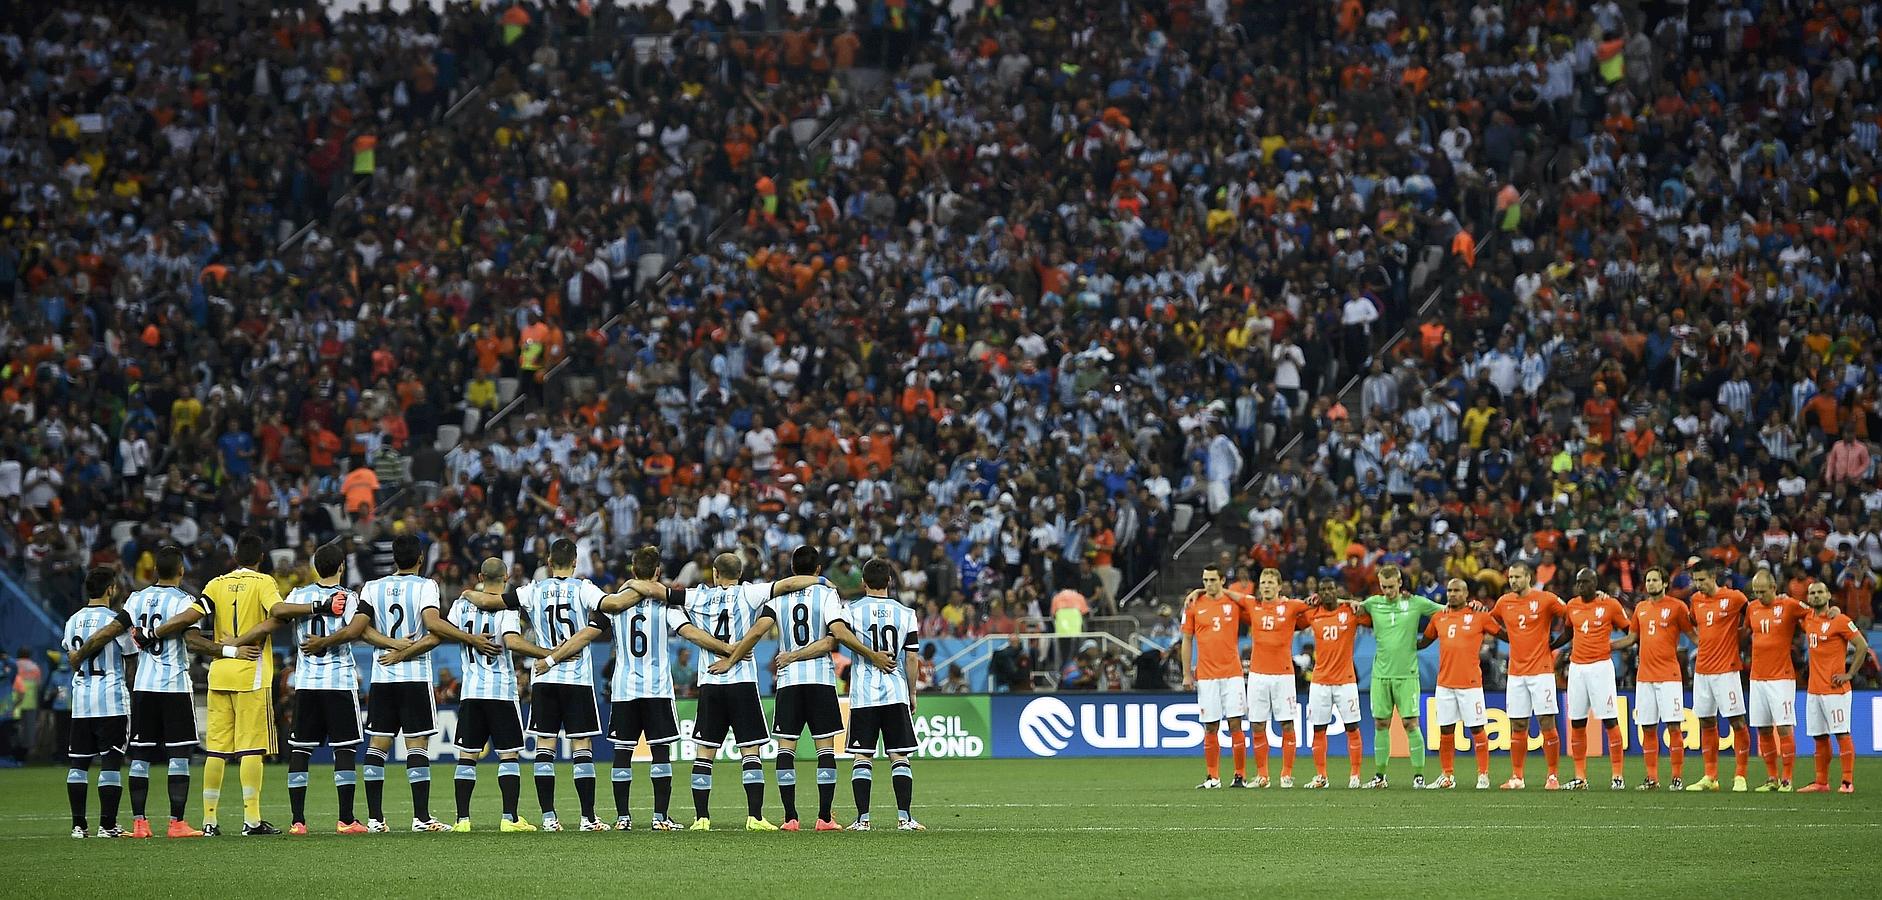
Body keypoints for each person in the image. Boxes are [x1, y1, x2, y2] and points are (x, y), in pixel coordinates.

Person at [621, 553, 824, 831]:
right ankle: (755, 817)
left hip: (711, 680)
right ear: (739, 573)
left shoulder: (698, 596)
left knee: (705, 752)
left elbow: (658, 591)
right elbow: (788, 584)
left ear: (715, 573)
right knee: (750, 751)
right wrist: (820, 580)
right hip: (742, 682)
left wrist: (632, 583)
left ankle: (701, 818)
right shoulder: (750, 593)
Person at [537, 546, 733, 831]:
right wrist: (726, 649)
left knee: (622, 753)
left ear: (633, 569)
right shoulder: (666, 605)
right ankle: (659, 818)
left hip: (624, 690)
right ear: (657, 572)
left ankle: (623, 818)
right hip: (657, 690)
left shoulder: (615, 605)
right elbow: (691, 633)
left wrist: (552, 658)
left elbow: (585, 635)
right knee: (660, 752)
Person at [231, 540, 399, 834]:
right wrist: (394, 643)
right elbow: (359, 631)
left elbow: (274, 620)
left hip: (306, 683)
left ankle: (298, 821)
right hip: (339, 682)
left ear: (315, 568)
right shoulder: (347, 597)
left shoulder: (299, 595)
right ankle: (346, 820)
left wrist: (237, 640)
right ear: (342, 567)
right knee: (344, 750)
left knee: (300, 751)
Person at [731, 545, 891, 831]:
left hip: (789, 682)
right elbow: (833, 639)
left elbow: (757, 631)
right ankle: (824, 817)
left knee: (786, 749)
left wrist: (732, 656)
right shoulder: (827, 594)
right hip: (820, 680)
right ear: (818, 570)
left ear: (793, 569)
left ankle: (790, 818)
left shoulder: (778, 597)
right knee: (825, 750)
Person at [359, 533, 501, 832]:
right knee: (417, 745)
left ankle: (374, 820)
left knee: (377, 747)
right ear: (421, 558)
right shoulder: (426, 586)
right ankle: (421, 819)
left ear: (394, 558)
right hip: (414, 677)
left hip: (382, 676)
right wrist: (471, 638)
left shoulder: (372, 587)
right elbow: (434, 626)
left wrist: (390, 645)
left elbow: (361, 629)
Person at [487, 537, 630, 832]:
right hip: (576, 678)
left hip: (544, 678)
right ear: (575, 562)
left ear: (549, 562)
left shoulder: (533, 590)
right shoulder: (584, 588)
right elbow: (611, 607)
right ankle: (588, 818)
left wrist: (471, 596)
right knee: (582, 745)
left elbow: (496, 601)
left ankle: (549, 818)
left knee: (545, 745)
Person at [121, 545, 236, 837]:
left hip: (143, 685)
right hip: (173, 685)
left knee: (140, 756)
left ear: (154, 570)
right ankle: (177, 823)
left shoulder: (136, 598)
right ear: (181, 570)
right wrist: (228, 650)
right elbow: (193, 641)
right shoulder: (185, 602)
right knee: (179, 754)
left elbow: (119, 628)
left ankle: (139, 823)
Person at [439, 557, 550, 831]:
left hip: (471, 691)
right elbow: (512, 641)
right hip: (501, 691)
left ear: (480, 576)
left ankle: (462, 820)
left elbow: (446, 630)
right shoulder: (508, 607)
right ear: (506, 577)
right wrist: (548, 653)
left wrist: (468, 637)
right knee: (508, 756)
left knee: (467, 756)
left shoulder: (461, 604)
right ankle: (509, 819)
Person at [196, 532, 287, 835]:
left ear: (235, 557)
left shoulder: (216, 584)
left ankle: (209, 821)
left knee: (216, 750)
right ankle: (252, 820)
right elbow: (277, 613)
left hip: (220, 670)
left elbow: (195, 615)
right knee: (252, 749)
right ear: (261, 557)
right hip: (251, 673)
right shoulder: (264, 583)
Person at [840, 558, 925, 831]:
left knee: (862, 757)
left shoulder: (851, 611)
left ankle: (862, 820)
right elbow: (911, 658)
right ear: (889, 581)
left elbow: (839, 637)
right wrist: (912, 692)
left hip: (864, 693)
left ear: (862, 582)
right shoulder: (906, 613)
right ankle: (905, 818)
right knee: (899, 756)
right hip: (895, 692)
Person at [62, 567, 136, 837]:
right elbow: (131, 660)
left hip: (82, 702)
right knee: (111, 762)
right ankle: (108, 825)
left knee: (78, 765)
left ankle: (78, 826)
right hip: (111, 700)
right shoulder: (116, 621)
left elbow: (70, 654)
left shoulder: (72, 621)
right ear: (110, 589)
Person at [1358, 564, 1444, 789]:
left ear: (1400, 583)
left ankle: (1419, 776)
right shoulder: (1373, 603)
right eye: (1383, 587)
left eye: (1391, 586)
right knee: (1380, 723)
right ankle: (1380, 777)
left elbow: (1446, 611)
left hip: (1407, 675)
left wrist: (1472, 606)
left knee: (1410, 723)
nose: (1388, 591)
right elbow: (1350, 607)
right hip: (1380, 675)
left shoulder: (1415, 603)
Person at [1488, 561, 1566, 789]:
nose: (1513, 581)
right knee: (1518, 724)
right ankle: (1517, 777)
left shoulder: (1546, 599)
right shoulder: (1504, 602)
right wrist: (1508, 637)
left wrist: (1558, 643)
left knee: (1546, 722)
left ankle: (1552, 776)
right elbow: (1489, 622)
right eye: (1511, 577)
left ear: (1529, 577)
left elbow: (1571, 614)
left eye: (1518, 577)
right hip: (1516, 674)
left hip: (1541, 672)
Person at [1418, 578, 1499, 789]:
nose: (1452, 594)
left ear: (1466, 594)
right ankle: (1447, 776)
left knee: (1477, 729)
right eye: (1449, 590)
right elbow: (1423, 642)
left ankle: (1483, 775)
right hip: (1445, 684)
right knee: (1446, 730)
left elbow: (1502, 633)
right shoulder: (1439, 617)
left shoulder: (1479, 616)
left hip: (1470, 684)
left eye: (1457, 590)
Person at [1178, 564, 1249, 789]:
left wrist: (1214, 592)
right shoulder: (1193, 605)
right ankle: (1213, 777)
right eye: (1205, 581)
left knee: (1235, 724)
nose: (1208, 584)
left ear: (1222, 580)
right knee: (1210, 726)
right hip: (1206, 675)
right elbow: (1187, 640)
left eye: (1212, 580)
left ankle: (1240, 776)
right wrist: (1186, 674)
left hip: (1232, 674)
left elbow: (1253, 603)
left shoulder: (1233, 603)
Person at [1562, 568, 1632, 791]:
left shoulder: (1610, 605)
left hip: (1601, 668)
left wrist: (1612, 646)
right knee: (1577, 722)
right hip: (1576, 668)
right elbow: (1567, 633)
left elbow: (1631, 631)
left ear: (1595, 583)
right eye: (1578, 582)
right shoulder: (1572, 605)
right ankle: (1580, 777)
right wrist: (1549, 646)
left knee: (1609, 720)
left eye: (1585, 582)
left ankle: (1617, 776)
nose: (1581, 586)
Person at [1685, 561, 1752, 792]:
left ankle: (1740, 776)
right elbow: (1693, 623)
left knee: (1737, 721)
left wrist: (1741, 636)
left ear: (1713, 577)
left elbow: (1753, 614)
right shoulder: (1696, 600)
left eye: (1702, 579)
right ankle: (1710, 776)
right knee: (1706, 721)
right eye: (1695, 580)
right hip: (1702, 670)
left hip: (1727, 670)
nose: (1698, 584)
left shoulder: (1734, 598)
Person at [1243, 568, 1311, 788]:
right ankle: (1262, 776)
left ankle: (1286, 774)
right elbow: (1226, 595)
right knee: (1257, 724)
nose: (1266, 586)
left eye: (1271, 582)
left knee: (1287, 724)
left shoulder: (1291, 606)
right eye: (1263, 582)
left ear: (1279, 586)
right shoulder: (1252, 604)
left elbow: (1317, 604)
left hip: (1283, 675)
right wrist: (1197, 592)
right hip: (1257, 675)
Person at [1799, 580, 1869, 793]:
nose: (1816, 596)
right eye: (1812, 593)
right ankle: (1821, 782)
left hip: (1835, 690)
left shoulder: (1840, 620)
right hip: (1814, 690)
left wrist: (1850, 674)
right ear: (1808, 597)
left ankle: (1847, 782)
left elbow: (1862, 646)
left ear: (1828, 595)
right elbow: (1789, 605)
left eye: (1820, 592)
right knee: (1819, 736)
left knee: (1841, 734)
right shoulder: (1807, 617)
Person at [1630, 567, 1694, 790]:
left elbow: (1693, 635)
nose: (1651, 583)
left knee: (1674, 727)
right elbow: (1631, 638)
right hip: (1644, 677)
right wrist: (1605, 646)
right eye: (1648, 580)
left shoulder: (1677, 607)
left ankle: (1676, 777)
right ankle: (1652, 778)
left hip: (1669, 676)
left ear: (1665, 583)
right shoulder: (1640, 608)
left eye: (1655, 580)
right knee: (1647, 728)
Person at [1744, 570, 1808, 792]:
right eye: (1756, 592)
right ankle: (1772, 777)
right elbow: (1745, 631)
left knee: (1783, 727)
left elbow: (1813, 614)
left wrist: (1833, 611)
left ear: (1774, 587)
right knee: (1763, 729)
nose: (1759, 596)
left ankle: (1787, 779)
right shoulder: (1752, 608)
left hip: (1781, 678)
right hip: (1757, 677)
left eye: (1763, 591)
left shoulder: (1789, 605)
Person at [1304, 589, 1369, 789]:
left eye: (1330, 589)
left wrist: (1351, 601)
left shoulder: (1350, 611)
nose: (1327, 593)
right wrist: (1308, 602)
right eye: (1323, 590)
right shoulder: (1313, 613)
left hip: (1345, 682)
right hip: (1320, 682)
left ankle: (1355, 775)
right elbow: (1295, 614)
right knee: (1318, 729)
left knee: (1352, 727)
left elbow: (1371, 616)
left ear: (1336, 592)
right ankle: (1321, 776)